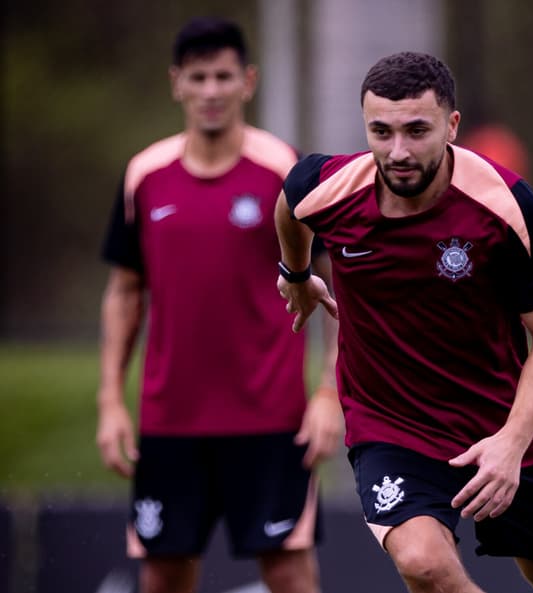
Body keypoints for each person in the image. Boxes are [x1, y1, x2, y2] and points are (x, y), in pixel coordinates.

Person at [273, 51, 533, 593]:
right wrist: (296, 271)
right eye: (381, 132)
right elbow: (291, 203)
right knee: (424, 564)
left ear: (451, 126)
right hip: (390, 427)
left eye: (416, 131)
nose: (398, 151)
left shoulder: (505, 205)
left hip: (499, 426)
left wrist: (511, 443)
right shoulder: (330, 187)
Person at [95, 18, 342, 593]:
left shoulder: (285, 170)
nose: (211, 90)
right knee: (163, 574)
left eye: (223, 77)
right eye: (198, 77)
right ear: (176, 83)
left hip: (272, 416)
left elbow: (338, 288)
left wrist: (329, 392)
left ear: (247, 81)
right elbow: (125, 292)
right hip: (171, 418)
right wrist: (110, 400)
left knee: (288, 571)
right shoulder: (144, 176)